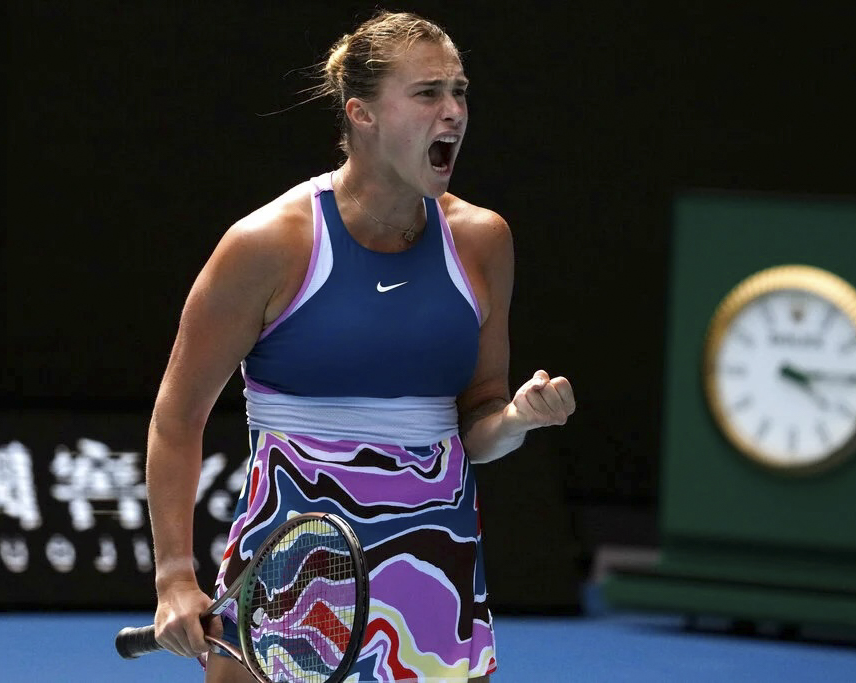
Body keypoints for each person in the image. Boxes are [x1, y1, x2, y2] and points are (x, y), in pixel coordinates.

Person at [146, 10, 575, 682]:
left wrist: (517, 419)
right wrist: (175, 576)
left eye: (459, 91)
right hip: (286, 572)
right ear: (362, 114)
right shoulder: (268, 246)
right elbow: (177, 418)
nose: (453, 111)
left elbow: (478, 426)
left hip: (434, 578)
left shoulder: (483, 241)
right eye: (428, 92)